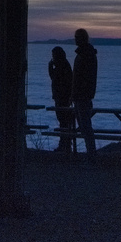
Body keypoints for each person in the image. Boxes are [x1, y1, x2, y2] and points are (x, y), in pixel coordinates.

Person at [72, 28, 98, 157]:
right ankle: (91, 154)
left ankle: (91, 156)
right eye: (75, 36)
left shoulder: (86, 55)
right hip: (79, 95)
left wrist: (80, 92)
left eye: (77, 37)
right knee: (83, 127)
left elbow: (83, 77)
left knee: (86, 128)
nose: (75, 39)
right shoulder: (83, 54)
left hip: (82, 96)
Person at [47, 46, 75, 152]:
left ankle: (65, 145)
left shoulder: (62, 66)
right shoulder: (64, 65)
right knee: (63, 121)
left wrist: (50, 68)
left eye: (54, 55)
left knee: (63, 121)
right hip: (62, 97)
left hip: (62, 97)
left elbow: (55, 79)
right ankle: (65, 144)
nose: (53, 58)